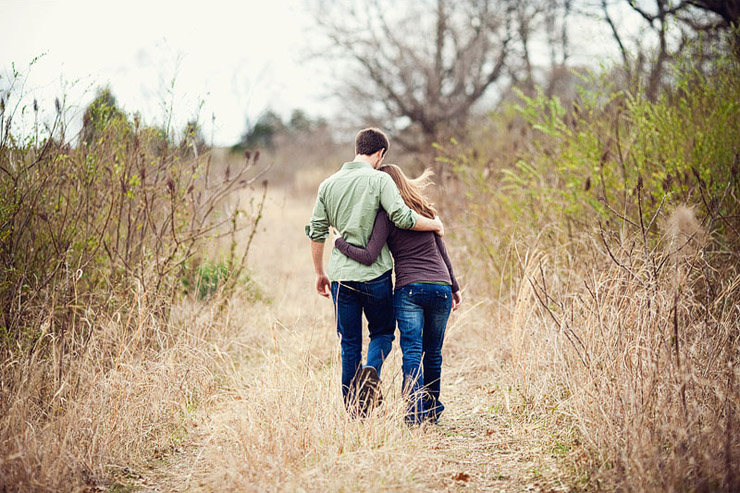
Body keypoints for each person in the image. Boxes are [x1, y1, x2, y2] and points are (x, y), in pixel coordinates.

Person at [306, 128, 444, 416]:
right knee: (382, 332)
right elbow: (402, 217)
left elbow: (317, 231)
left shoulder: (328, 185)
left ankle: (356, 413)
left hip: (342, 277)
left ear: (357, 148)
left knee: (349, 344)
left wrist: (320, 272)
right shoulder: (380, 179)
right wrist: (434, 224)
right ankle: (373, 368)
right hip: (376, 275)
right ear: (380, 153)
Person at [334, 164, 461, 425]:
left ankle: (414, 414)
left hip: (409, 290)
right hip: (442, 287)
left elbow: (369, 256)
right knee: (434, 353)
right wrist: (455, 288)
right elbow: (442, 253)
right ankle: (431, 412)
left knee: (412, 351)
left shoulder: (385, 216)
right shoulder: (427, 213)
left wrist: (338, 242)